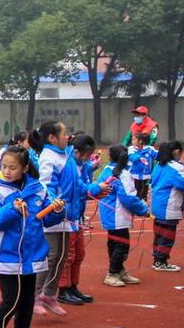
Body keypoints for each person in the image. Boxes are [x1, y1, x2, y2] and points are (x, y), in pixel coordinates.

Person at [0, 147, 65, 328]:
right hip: (7, 256)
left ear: (25, 168)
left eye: (13, 167)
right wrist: (12, 210)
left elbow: (46, 218)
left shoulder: (38, 189)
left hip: (32, 254)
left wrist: (56, 210)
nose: (7, 171)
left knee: (27, 301)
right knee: (11, 300)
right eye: (4, 167)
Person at [31, 121, 76, 317]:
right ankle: (33, 296)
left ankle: (49, 295)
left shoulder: (65, 155)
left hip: (66, 213)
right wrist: (54, 205)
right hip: (53, 212)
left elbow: (75, 183)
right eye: (65, 133)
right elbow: (46, 185)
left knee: (62, 256)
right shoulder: (49, 158)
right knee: (50, 255)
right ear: (52, 138)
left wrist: (93, 191)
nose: (68, 137)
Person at [57, 135, 105, 305]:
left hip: (77, 215)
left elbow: (84, 189)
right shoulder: (67, 164)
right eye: (86, 155)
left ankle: (73, 286)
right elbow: (79, 187)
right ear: (77, 151)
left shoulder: (82, 165)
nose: (87, 158)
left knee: (79, 254)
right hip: (67, 216)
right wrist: (98, 187)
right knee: (68, 254)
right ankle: (62, 288)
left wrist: (98, 190)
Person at [97, 145, 150, 288]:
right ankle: (112, 272)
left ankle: (119, 270)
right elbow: (128, 198)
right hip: (117, 214)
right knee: (121, 245)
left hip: (110, 213)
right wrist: (143, 209)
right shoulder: (122, 174)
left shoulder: (107, 171)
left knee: (114, 243)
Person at [149, 141, 184, 272]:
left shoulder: (158, 165)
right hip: (168, 205)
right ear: (176, 151)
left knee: (159, 234)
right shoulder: (175, 167)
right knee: (167, 235)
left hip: (158, 204)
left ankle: (157, 258)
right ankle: (161, 261)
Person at [128, 133, 154, 201]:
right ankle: (136, 206)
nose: (132, 141)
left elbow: (158, 155)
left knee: (144, 193)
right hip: (134, 175)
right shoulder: (131, 148)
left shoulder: (150, 149)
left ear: (140, 141)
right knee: (136, 191)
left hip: (146, 176)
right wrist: (140, 157)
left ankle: (143, 205)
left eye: (134, 139)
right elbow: (131, 157)